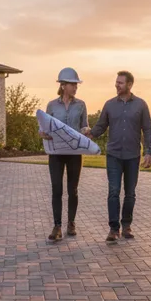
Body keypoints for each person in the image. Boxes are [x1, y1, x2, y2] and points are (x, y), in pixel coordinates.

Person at [86, 71, 151, 241]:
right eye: (116, 82)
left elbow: (148, 129)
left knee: (130, 193)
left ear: (130, 85)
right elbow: (100, 126)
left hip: (132, 156)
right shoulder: (109, 105)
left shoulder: (141, 105)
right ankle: (113, 229)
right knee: (113, 191)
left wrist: (148, 152)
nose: (117, 85)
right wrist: (88, 135)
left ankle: (127, 226)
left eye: (120, 83)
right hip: (114, 155)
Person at [41, 67, 90, 241]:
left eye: (76, 84)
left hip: (74, 153)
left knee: (73, 190)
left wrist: (86, 131)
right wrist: (43, 133)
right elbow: (45, 127)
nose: (76, 87)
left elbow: (84, 125)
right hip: (56, 153)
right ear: (63, 85)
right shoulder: (52, 105)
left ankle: (71, 223)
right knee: (56, 189)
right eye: (73, 84)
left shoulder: (81, 105)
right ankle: (57, 226)